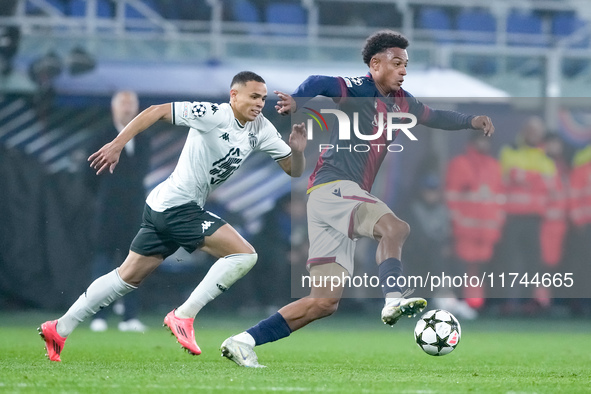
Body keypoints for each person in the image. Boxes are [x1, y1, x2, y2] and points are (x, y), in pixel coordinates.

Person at [220, 30, 495, 368]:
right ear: (375, 64)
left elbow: (435, 116)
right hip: (336, 186)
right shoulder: (359, 89)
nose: (403, 70)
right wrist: (297, 100)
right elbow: (320, 81)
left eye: (406, 65)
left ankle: (243, 340)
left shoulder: (403, 102)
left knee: (323, 302)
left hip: (327, 199)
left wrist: (472, 121)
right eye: (396, 63)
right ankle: (393, 297)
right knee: (396, 228)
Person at [38, 71, 307, 362]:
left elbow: (294, 169)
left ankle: (59, 327)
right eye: (254, 96)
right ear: (234, 95)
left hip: (164, 204)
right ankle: (184, 315)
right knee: (244, 255)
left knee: (126, 277)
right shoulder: (212, 113)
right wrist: (118, 144)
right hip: (178, 206)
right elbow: (155, 111)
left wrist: (298, 151)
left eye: (263, 98)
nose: (259, 103)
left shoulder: (261, 129)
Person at [88, 91, 150, 333]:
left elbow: (143, 172)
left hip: (135, 212)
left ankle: (130, 316)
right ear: (114, 108)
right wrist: (104, 198)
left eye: (131, 103)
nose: (127, 108)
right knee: (103, 263)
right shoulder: (101, 136)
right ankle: (98, 315)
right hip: (107, 212)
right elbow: (88, 178)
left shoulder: (143, 137)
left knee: (136, 263)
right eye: (123, 103)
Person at [444, 133, 505, 312]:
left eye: (486, 141)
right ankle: (461, 306)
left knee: (484, 273)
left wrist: (497, 226)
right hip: (465, 231)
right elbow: (451, 198)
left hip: (488, 232)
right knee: (462, 271)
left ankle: (479, 307)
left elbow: (499, 199)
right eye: (480, 140)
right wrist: (457, 223)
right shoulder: (459, 164)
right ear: (471, 142)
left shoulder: (494, 166)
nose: (483, 144)